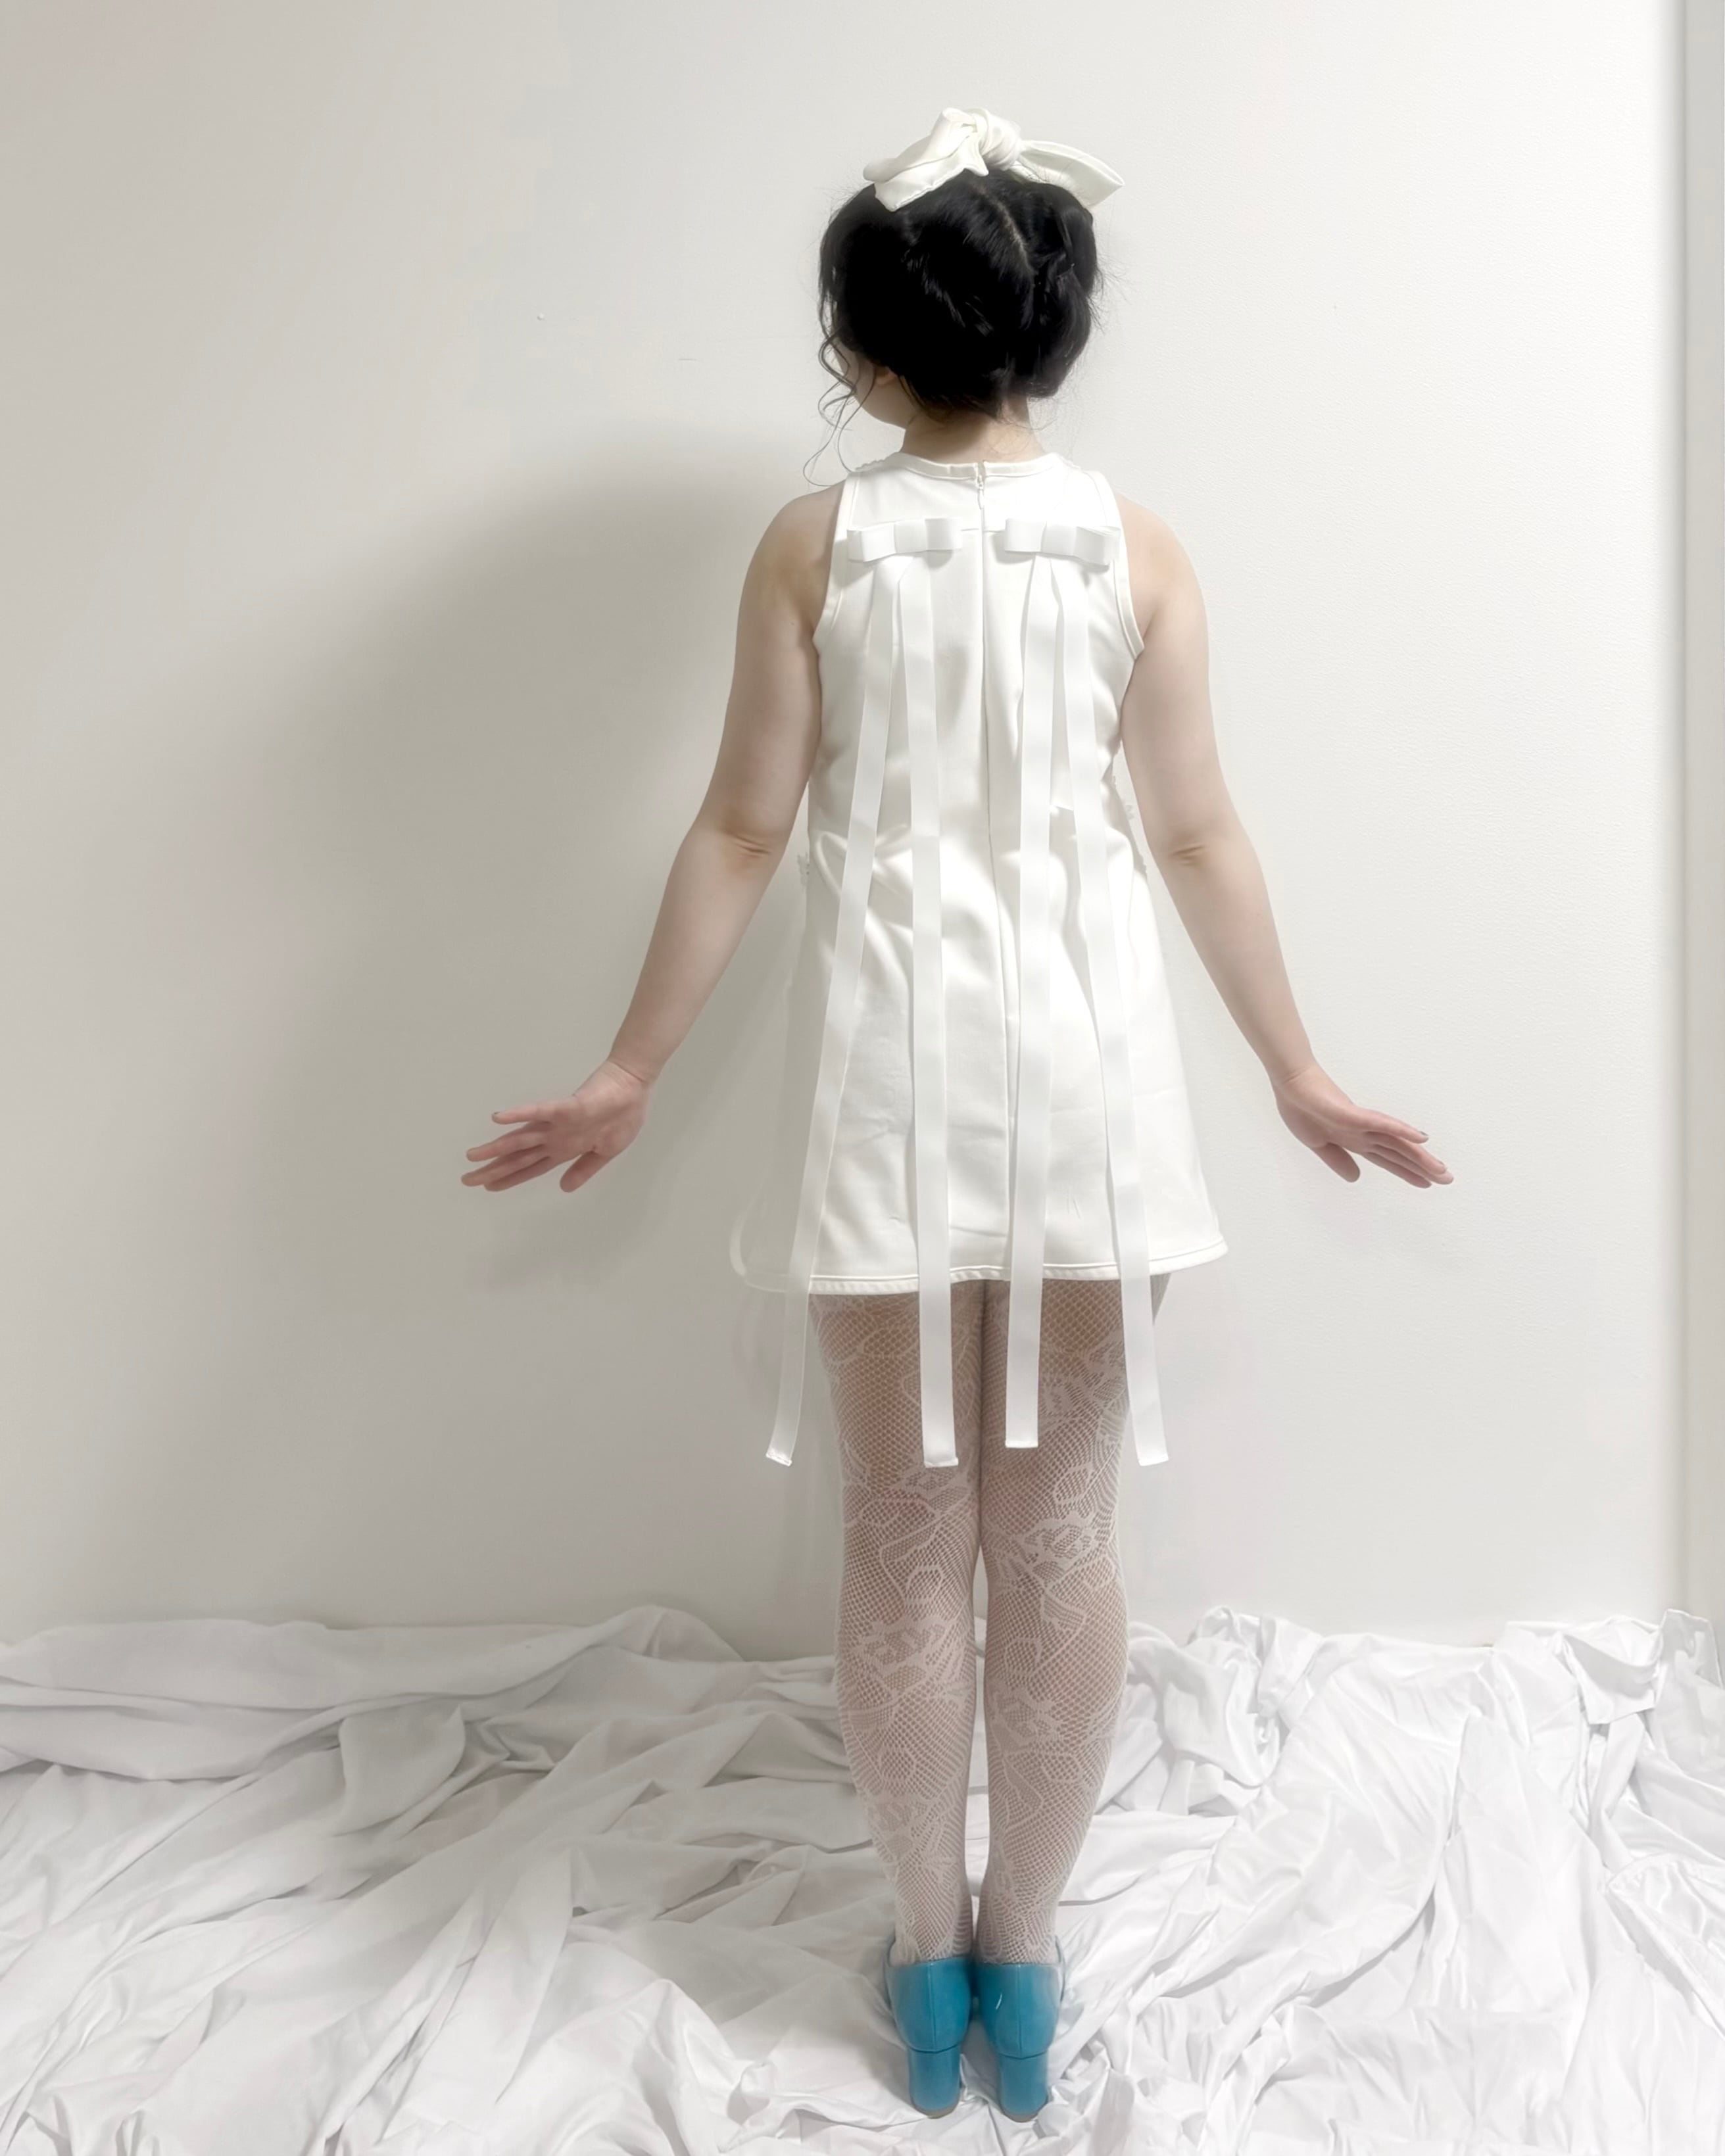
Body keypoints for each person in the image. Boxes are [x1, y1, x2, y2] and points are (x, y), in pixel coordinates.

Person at [460, 105, 1452, 2124]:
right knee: (1059, 1537)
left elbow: (744, 827)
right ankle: (1026, 1955)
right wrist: (1294, 1066)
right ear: (1055, 331)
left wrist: (636, 1064)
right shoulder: (1138, 549)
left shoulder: (811, 548)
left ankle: (929, 1963)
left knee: (907, 1536)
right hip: (1088, 1084)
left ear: (860, 346)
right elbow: (1197, 831)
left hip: (885, 1088)